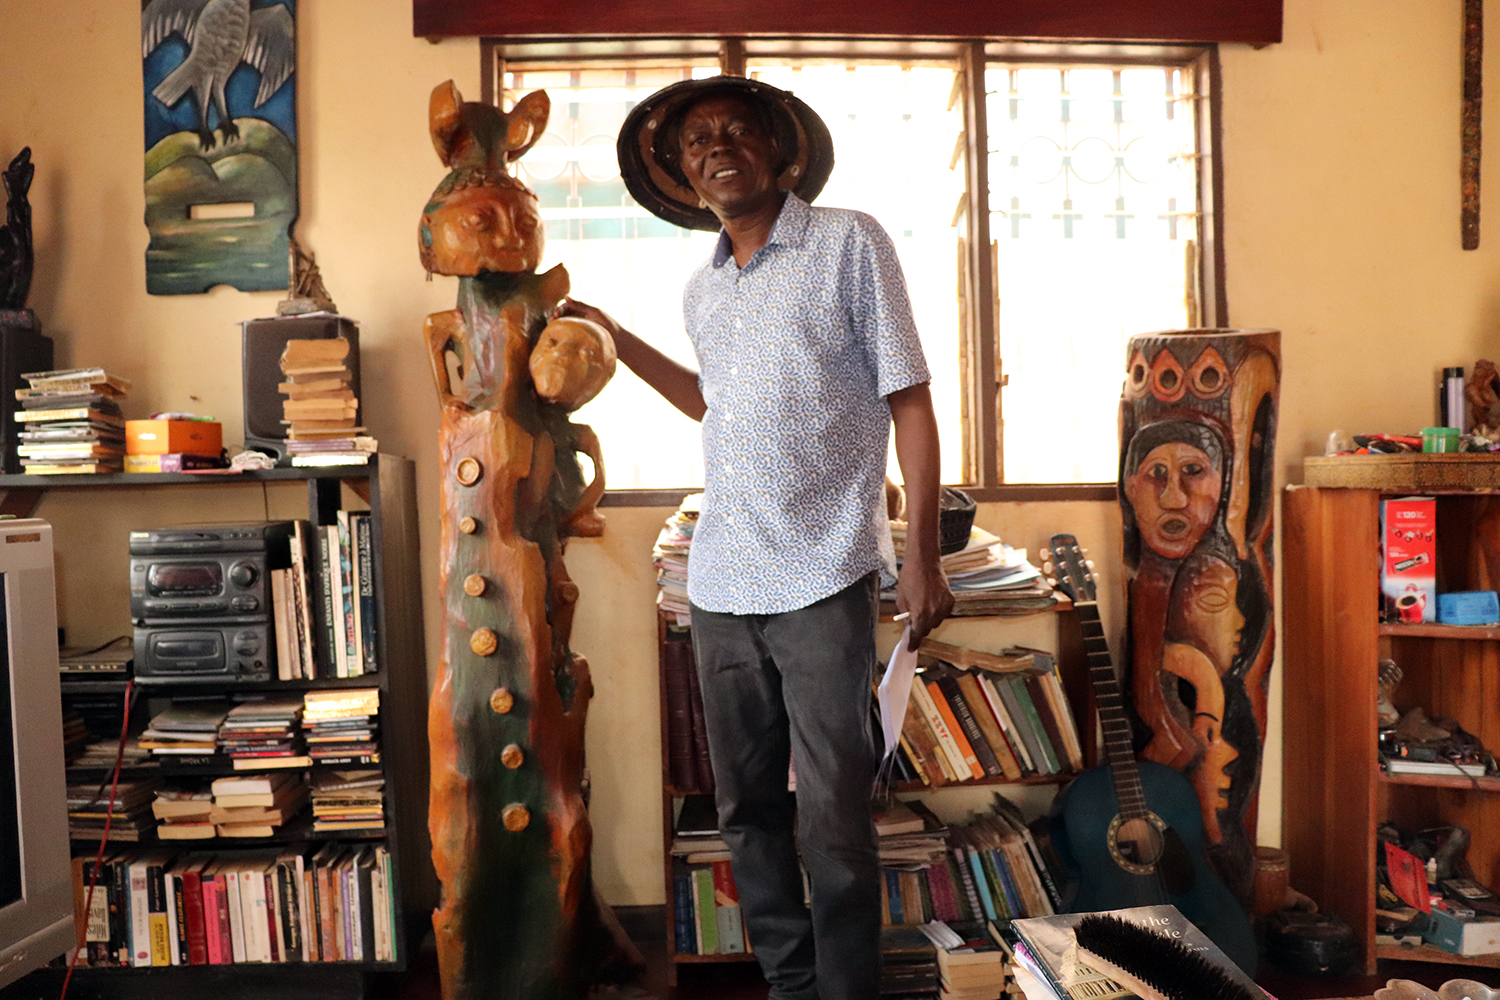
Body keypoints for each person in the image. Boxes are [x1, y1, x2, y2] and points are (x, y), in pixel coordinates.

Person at [555, 76, 953, 1000]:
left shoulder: (850, 242)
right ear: (684, 178)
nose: (716, 146)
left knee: (835, 816)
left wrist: (923, 555)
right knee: (743, 810)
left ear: (782, 152)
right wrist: (617, 337)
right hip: (722, 580)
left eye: (737, 131)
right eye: (696, 142)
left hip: (826, 573)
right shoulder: (705, 289)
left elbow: (911, 401)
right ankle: (790, 983)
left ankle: (847, 992)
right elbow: (710, 400)